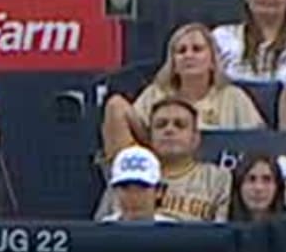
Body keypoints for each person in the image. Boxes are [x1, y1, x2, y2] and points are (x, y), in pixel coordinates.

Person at [103, 21, 266, 153]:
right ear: (173, 63)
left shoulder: (234, 96)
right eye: (181, 51)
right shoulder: (155, 93)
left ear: (212, 61)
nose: (188, 55)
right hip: (162, 174)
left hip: (218, 178)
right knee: (115, 104)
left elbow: (259, 143)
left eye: (197, 49)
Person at [127, 97, 232, 219]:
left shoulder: (218, 178)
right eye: (160, 125)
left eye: (180, 125)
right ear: (150, 137)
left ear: (195, 138)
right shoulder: (130, 174)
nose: (169, 130)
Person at [100, 145, 182, 222]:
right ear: (115, 191)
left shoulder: (172, 232)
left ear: (159, 191)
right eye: (125, 188)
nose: (133, 196)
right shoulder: (102, 232)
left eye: (142, 187)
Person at [228, 154, 286, 219]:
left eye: (266, 179)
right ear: (239, 186)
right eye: (251, 179)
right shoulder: (222, 227)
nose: (259, 187)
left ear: (277, 186)